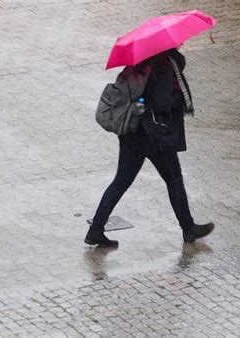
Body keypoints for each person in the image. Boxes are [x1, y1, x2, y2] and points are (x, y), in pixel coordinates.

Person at [85, 48, 214, 247]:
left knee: (121, 181)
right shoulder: (163, 65)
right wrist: (179, 100)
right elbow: (162, 103)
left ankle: (96, 229)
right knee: (174, 179)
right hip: (155, 136)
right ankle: (188, 228)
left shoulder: (141, 63)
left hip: (132, 133)